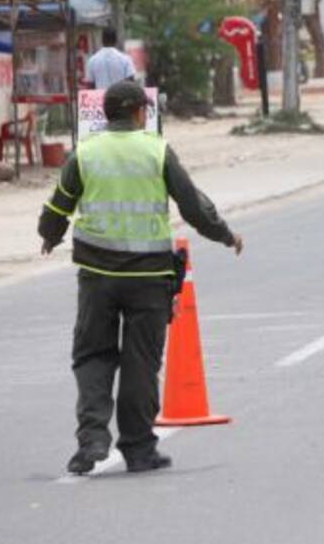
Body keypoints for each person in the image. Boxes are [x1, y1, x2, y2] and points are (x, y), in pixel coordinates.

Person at [38, 81, 243, 475]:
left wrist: (49, 236)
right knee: (141, 363)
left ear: (108, 113)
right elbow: (193, 205)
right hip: (149, 276)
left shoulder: (86, 153)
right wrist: (225, 234)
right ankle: (138, 449)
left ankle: (93, 440)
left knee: (93, 355)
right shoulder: (157, 150)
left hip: (97, 276)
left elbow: (59, 204)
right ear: (138, 112)